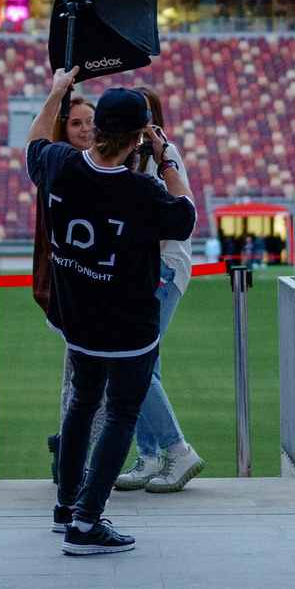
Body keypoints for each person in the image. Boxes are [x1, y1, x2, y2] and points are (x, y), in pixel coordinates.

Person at [26, 72, 197, 555]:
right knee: (120, 415)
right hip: (127, 328)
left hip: (78, 321)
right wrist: (168, 160)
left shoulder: (60, 165)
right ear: (139, 136)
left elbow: (35, 141)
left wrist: (58, 91)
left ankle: (65, 507)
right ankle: (86, 520)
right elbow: (186, 214)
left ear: (97, 126)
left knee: (82, 406)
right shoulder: (140, 193)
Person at [113, 89, 205, 495]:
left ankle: (176, 449)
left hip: (162, 270)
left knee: (136, 364)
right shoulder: (135, 158)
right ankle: (150, 455)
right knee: (147, 365)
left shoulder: (163, 158)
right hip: (149, 269)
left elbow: (175, 218)